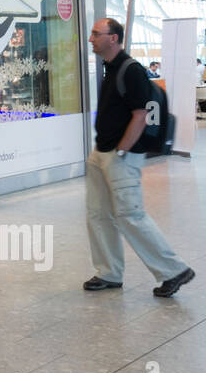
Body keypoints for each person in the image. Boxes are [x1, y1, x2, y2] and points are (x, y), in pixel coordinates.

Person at [83, 18, 194, 298]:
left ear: (114, 38)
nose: (91, 38)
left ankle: (173, 270)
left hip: (121, 155)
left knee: (130, 215)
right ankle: (109, 272)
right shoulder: (111, 68)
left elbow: (140, 115)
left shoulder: (130, 70)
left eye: (97, 34)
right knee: (98, 215)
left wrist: (122, 151)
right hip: (102, 152)